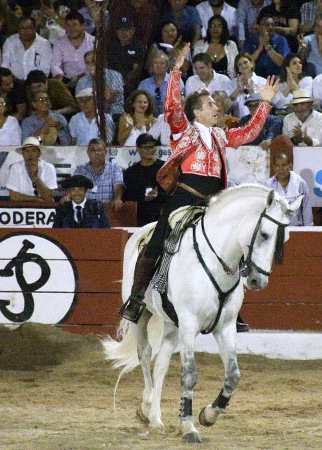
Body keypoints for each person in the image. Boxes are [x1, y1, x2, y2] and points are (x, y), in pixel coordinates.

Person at [119, 42, 280, 327]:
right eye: (210, 105)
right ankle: (137, 296)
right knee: (158, 241)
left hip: (213, 202)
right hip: (184, 197)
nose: (217, 107)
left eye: (216, 104)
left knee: (232, 245)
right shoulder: (183, 131)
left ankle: (229, 306)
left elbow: (248, 133)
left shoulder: (220, 135)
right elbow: (171, 107)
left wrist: (265, 102)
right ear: (196, 112)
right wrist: (176, 71)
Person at [122, 133, 167, 227]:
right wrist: (143, 196)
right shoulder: (131, 172)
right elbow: (128, 196)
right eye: (146, 147)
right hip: (140, 219)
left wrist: (159, 193)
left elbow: (174, 190)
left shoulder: (165, 168)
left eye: (152, 147)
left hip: (163, 216)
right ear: (138, 149)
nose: (149, 150)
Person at [73, 138, 124, 210]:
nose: (96, 153)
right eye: (93, 150)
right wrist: (68, 196)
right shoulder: (80, 170)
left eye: (99, 150)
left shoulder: (115, 169)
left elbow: (118, 186)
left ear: (105, 152)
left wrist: (118, 199)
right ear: (88, 153)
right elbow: (74, 188)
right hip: (85, 213)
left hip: (107, 212)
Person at [264, 152, 313, 226]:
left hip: (297, 229)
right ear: (273, 167)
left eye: (284, 165)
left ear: (290, 166)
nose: (281, 169)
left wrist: (308, 230)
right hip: (275, 230)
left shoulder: (300, 183)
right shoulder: (268, 185)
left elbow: (306, 210)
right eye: (277, 166)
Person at [50, 11, 95, 90]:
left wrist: (81, 78)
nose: (71, 29)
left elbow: (96, 65)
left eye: (74, 25)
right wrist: (60, 77)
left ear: (82, 26)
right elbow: (55, 65)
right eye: (68, 25)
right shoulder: (59, 43)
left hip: (89, 79)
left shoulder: (93, 42)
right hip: (66, 81)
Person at [5, 137, 57, 202]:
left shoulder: (49, 168)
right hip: (21, 208)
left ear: (39, 154)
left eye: (33, 150)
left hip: (45, 208)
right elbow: (13, 196)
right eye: (27, 151)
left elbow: (49, 198)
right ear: (23, 154)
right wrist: (35, 199)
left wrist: (35, 179)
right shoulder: (16, 167)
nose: (30, 154)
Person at [76, 51, 124, 120]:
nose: (91, 66)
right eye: (88, 63)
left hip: (114, 114)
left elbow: (108, 98)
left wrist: (97, 78)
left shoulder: (115, 75)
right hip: (91, 115)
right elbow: (81, 104)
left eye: (94, 62)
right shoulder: (82, 82)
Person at [1, 16, 52, 80]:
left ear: (35, 28)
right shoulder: (10, 41)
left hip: (36, 83)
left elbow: (45, 69)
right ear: (18, 30)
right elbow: (5, 65)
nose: (26, 31)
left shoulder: (44, 44)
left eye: (30, 28)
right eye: (23, 28)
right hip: (13, 83)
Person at [107, 16, 146, 97]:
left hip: (130, 84)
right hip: (111, 82)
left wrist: (123, 83)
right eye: (120, 30)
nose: (123, 33)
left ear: (133, 31)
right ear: (116, 31)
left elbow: (136, 70)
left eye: (127, 30)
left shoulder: (138, 47)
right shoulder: (111, 46)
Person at [243, 13, 290, 78]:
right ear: (258, 26)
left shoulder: (281, 40)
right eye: (267, 25)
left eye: (273, 25)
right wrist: (259, 50)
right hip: (255, 78)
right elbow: (245, 64)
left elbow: (281, 63)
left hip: (276, 78)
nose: (270, 27)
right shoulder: (249, 42)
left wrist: (267, 45)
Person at [193, 14, 239, 79]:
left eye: (219, 26)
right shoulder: (199, 45)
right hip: (204, 81)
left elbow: (236, 68)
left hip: (227, 82)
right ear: (208, 28)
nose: (215, 28)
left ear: (224, 28)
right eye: (212, 25)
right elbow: (195, 68)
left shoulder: (231, 45)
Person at [137, 50, 183, 116]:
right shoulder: (144, 84)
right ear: (152, 66)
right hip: (149, 118)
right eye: (155, 63)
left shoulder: (176, 81)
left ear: (167, 66)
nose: (158, 66)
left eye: (161, 63)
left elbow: (182, 101)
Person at [229, 52, 267, 118]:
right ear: (238, 69)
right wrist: (238, 89)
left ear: (252, 64)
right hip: (239, 121)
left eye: (245, 62)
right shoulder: (232, 83)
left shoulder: (263, 82)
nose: (243, 66)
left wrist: (248, 86)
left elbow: (263, 103)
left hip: (259, 119)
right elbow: (229, 105)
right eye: (240, 65)